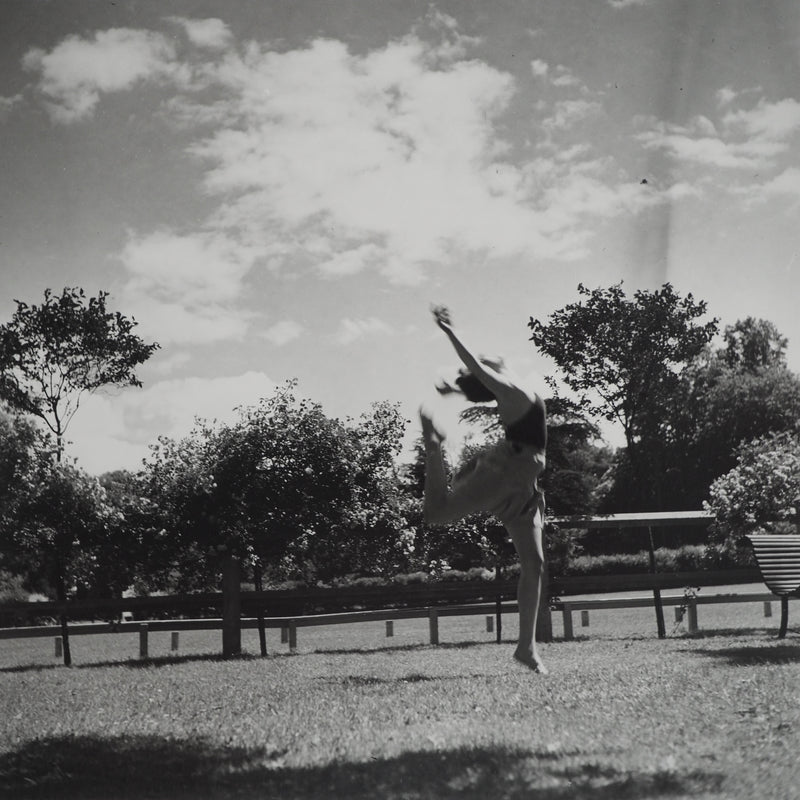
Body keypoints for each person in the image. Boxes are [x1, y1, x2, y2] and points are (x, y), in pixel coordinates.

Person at [419, 305, 548, 673]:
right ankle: (434, 448)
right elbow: (476, 366)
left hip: (525, 481)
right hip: (507, 470)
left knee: (534, 564)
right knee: (437, 514)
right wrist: (448, 331)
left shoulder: (512, 390)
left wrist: (458, 390)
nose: (489, 357)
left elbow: (477, 379)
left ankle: (526, 648)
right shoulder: (509, 388)